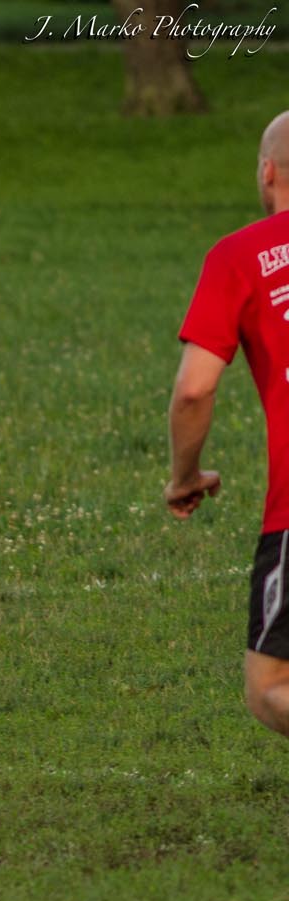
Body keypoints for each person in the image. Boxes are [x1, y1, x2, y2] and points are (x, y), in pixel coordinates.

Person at [166, 109, 289, 739]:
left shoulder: (240, 255)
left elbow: (194, 389)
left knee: (271, 689)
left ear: (267, 172)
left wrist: (183, 477)